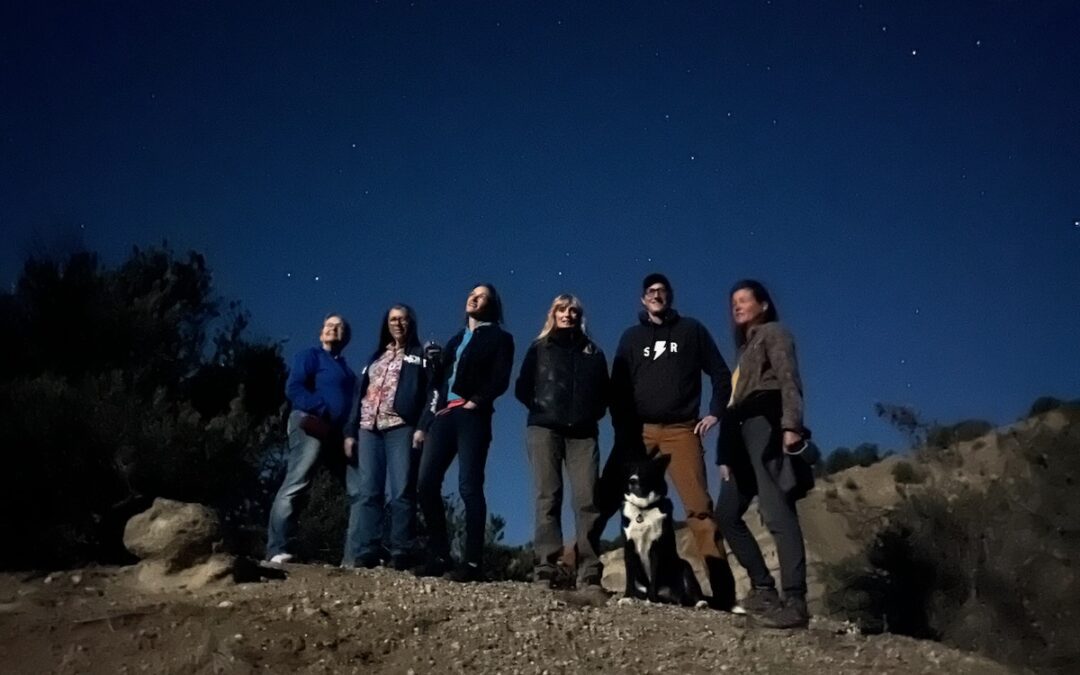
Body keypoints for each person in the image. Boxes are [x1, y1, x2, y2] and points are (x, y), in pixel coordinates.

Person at [600, 273, 737, 609]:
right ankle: (579, 571)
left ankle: (724, 594)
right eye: (650, 291)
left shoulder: (691, 331)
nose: (657, 295)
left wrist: (715, 412)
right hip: (639, 432)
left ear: (670, 296)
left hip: (682, 429)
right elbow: (617, 387)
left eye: (662, 291)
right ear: (643, 299)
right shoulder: (631, 338)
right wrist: (623, 430)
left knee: (699, 510)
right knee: (607, 498)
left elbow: (720, 373)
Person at [714, 279, 812, 629]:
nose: (737, 306)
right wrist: (725, 455)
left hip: (766, 425)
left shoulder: (774, 333)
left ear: (764, 304)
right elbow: (732, 405)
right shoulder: (743, 351)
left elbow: (789, 380)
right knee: (726, 513)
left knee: (775, 510)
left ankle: (795, 600)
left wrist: (791, 426)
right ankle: (763, 588)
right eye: (733, 302)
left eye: (744, 300)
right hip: (741, 436)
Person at [414, 284, 515, 582]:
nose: (474, 297)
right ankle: (440, 555)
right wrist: (432, 366)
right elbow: (438, 382)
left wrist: (477, 401)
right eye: (472, 294)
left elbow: (501, 377)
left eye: (481, 295)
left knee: (469, 485)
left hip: (473, 415)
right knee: (426, 482)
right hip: (444, 415)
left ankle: (472, 563)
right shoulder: (457, 339)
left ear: (492, 304)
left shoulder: (500, 337)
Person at [514, 294, 609, 591]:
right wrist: (543, 409)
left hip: (583, 434)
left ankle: (589, 571)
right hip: (544, 429)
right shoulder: (539, 348)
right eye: (561, 309)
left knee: (587, 500)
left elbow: (605, 392)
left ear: (580, 315)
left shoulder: (593, 352)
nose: (567, 314)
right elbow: (522, 387)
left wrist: (589, 412)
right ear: (552, 313)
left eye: (573, 310)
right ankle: (545, 567)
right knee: (547, 497)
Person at [342, 304, 432, 570]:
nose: (398, 324)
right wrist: (350, 431)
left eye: (403, 319)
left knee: (402, 489)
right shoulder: (375, 357)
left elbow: (431, 391)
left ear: (411, 324)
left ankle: (401, 549)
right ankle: (367, 549)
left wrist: (422, 425)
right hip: (368, 428)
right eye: (393, 319)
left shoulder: (419, 354)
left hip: (400, 426)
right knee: (369, 491)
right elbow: (359, 395)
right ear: (387, 324)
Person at [266, 313, 356, 564]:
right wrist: (321, 408)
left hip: (336, 435)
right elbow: (294, 388)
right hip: (311, 424)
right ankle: (277, 548)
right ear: (321, 332)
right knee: (297, 481)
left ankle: (355, 556)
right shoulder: (310, 356)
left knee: (359, 488)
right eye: (329, 325)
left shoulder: (348, 372)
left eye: (338, 326)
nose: (332, 329)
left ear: (346, 336)